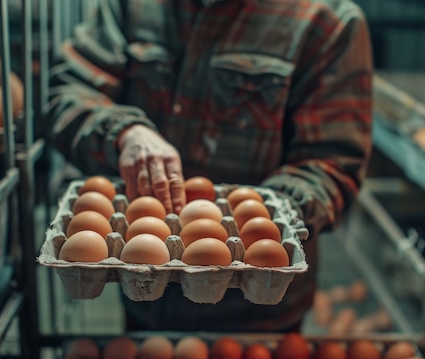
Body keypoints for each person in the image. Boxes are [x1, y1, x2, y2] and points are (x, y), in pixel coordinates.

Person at [45, 0, 373, 332]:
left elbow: (332, 164)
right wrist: (124, 133)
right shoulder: (131, 6)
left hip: (261, 312)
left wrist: (263, 221)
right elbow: (68, 93)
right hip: (145, 291)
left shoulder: (327, 20)